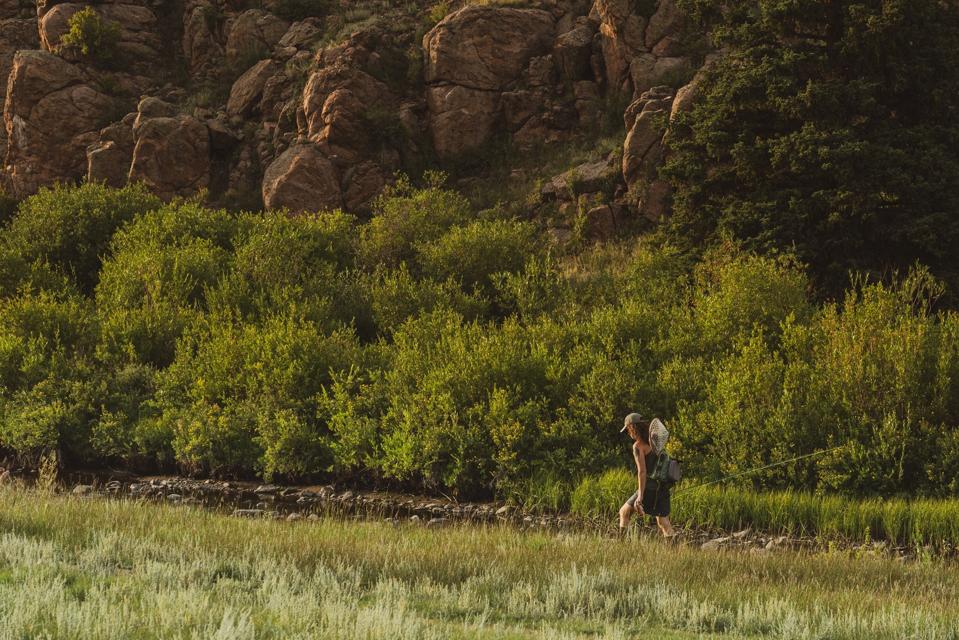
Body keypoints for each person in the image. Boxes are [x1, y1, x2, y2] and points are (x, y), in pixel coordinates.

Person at [618, 412, 676, 537]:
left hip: (649, 488)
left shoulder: (637, 446)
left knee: (623, 512)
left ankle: (621, 545)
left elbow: (642, 472)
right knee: (663, 522)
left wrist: (640, 496)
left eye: (628, 429)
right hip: (663, 486)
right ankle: (675, 548)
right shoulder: (654, 438)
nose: (628, 432)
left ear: (632, 427)